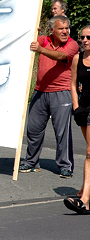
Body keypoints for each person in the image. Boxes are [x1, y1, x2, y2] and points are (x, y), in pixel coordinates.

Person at [19, 15, 79, 178]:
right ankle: (31, 162)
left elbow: (60, 56)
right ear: (52, 30)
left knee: (62, 133)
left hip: (61, 93)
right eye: (61, 28)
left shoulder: (72, 44)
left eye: (67, 28)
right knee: (33, 130)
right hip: (40, 91)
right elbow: (26, 41)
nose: (65, 31)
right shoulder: (43, 39)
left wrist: (40, 49)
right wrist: (32, 32)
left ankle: (65, 165)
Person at [63, 26, 90, 214]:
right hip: (83, 109)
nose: (85, 40)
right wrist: (75, 106)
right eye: (82, 37)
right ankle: (85, 190)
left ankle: (85, 199)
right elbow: (72, 84)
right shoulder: (77, 58)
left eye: (89, 37)